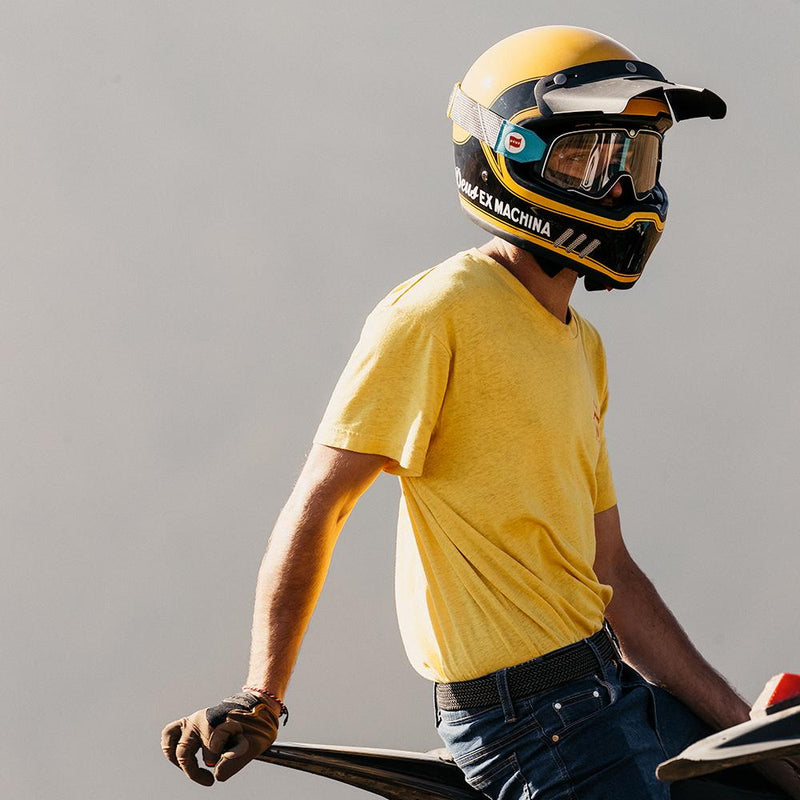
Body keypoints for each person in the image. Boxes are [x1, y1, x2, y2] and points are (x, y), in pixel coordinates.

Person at [161, 26, 800, 799]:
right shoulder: (438, 312)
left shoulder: (581, 347)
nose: (627, 188)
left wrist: (744, 735)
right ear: (510, 155)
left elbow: (611, 572)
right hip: (533, 724)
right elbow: (320, 504)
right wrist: (262, 693)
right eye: (591, 157)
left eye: (638, 158)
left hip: (602, 689)